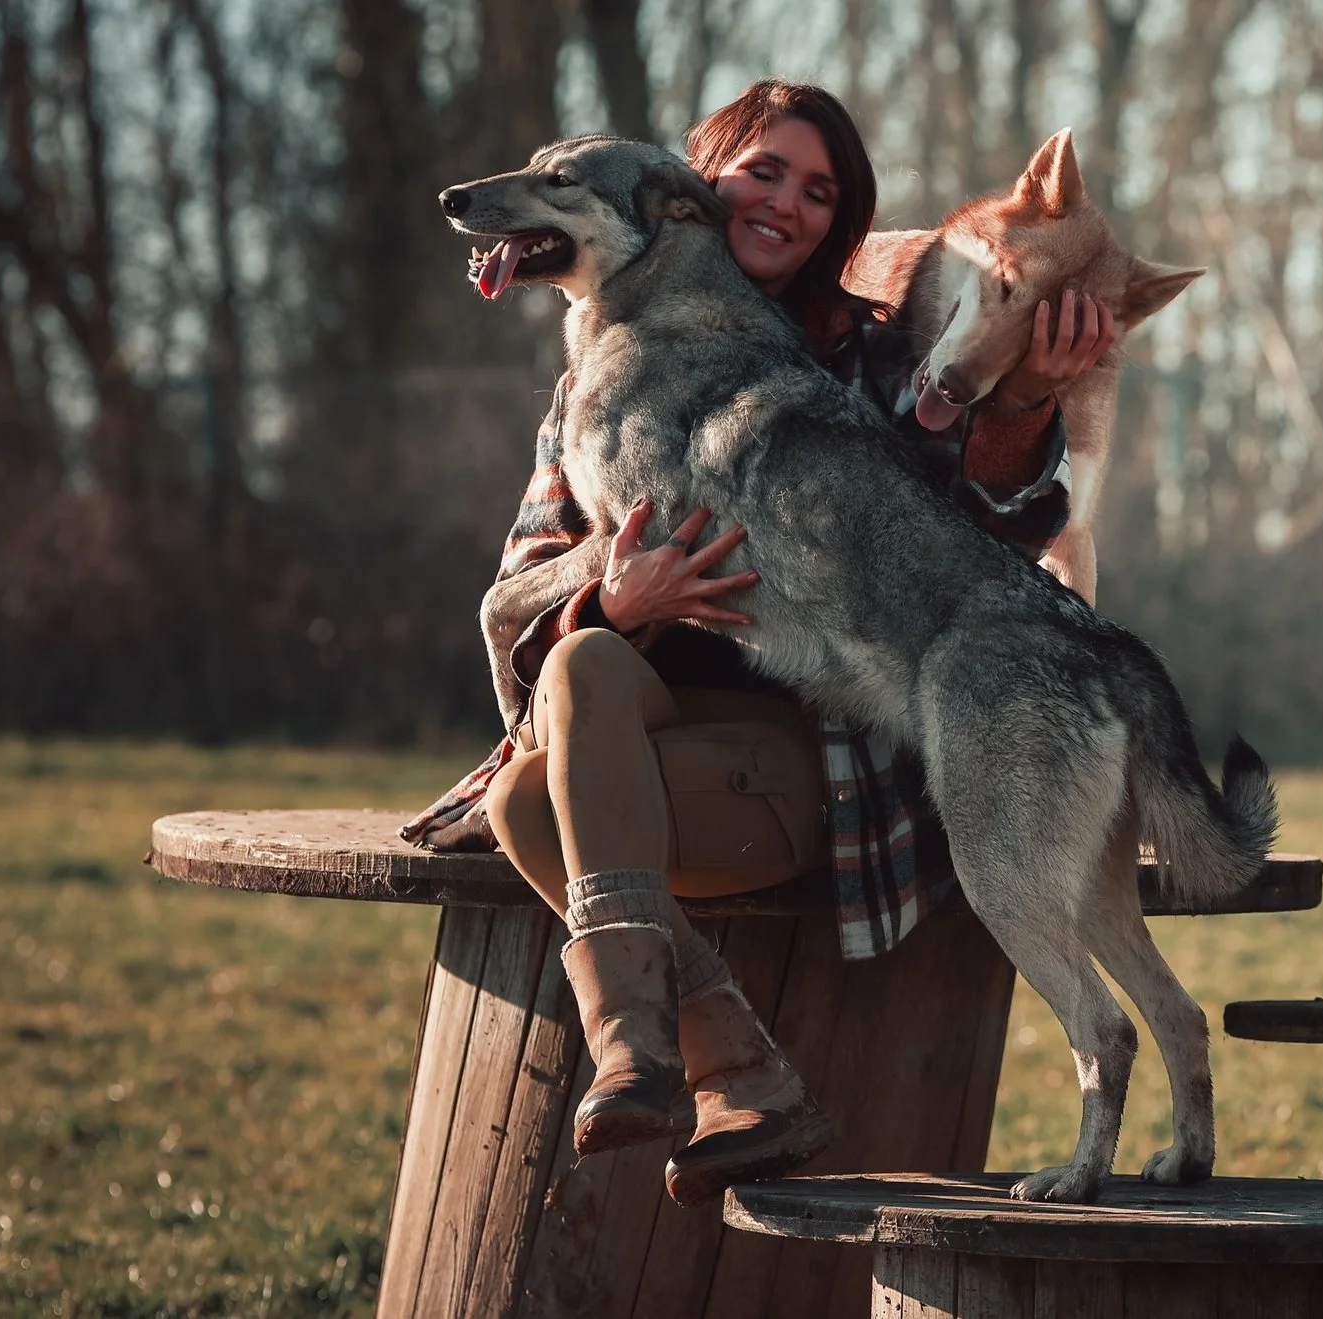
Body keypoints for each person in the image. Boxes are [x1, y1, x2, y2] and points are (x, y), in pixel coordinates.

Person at [400, 81, 1121, 1206]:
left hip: (818, 757)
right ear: (696, 189)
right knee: (565, 707)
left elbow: (975, 545)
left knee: (534, 803)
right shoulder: (592, 378)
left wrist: (1025, 396)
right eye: (764, 172)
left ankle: (676, 1057)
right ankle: (725, 1061)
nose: (786, 203)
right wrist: (614, 598)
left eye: (820, 191)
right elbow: (519, 585)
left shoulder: (877, 357)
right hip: (647, 742)